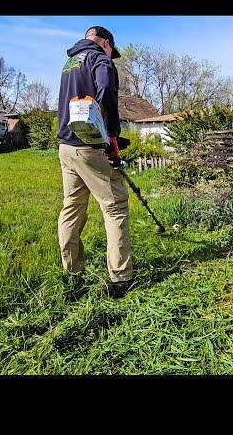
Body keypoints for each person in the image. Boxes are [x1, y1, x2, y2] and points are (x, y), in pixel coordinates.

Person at [56, 25, 133, 298]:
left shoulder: (70, 63)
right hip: (90, 145)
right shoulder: (99, 58)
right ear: (106, 43)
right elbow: (107, 87)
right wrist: (111, 134)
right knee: (115, 207)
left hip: (66, 146)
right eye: (112, 52)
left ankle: (73, 271)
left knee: (72, 207)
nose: (111, 57)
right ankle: (121, 278)